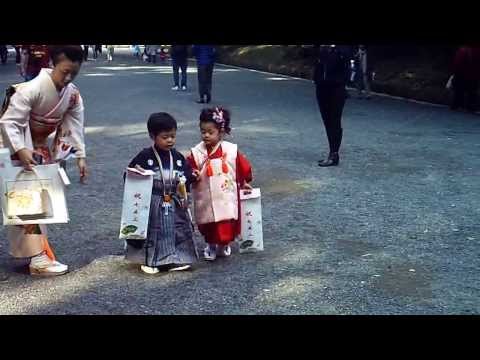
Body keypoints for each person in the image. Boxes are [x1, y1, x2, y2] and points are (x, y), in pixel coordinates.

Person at [0, 45, 88, 276]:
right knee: (26, 199)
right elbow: (9, 123)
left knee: (35, 199)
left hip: (36, 147)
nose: (68, 78)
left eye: (74, 73)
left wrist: (80, 155)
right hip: (13, 143)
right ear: (52, 64)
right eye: (64, 72)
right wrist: (20, 148)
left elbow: (74, 126)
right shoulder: (29, 89)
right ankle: (38, 258)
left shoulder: (73, 94)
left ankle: (37, 254)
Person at [125, 113, 198, 274]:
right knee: (154, 231)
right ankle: (149, 261)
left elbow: (186, 174)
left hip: (173, 200)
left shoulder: (177, 157)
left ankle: (175, 259)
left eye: (173, 136)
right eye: (165, 137)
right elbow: (130, 175)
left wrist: (191, 177)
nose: (170, 140)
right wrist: (138, 174)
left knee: (175, 230)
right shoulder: (145, 156)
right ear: (153, 136)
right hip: (154, 201)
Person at [187, 107, 253, 261]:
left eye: (210, 132)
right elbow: (189, 167)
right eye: (203, 132)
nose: (206, 135)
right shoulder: (197, 152)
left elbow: (241, 166)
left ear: (221, 131)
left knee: (226, 222)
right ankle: (210, 244)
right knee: (208, 222)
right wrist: (192, 173)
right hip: (206, 195)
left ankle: (224, 245)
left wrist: (243, 182)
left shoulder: (230, 150)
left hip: (225, 194)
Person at [314, 45, 351, 167]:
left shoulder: (342, 49)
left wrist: (334, 49)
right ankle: (332, 151)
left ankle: (334, 154)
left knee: (335, 120)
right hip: (321, 87)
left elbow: (347, 60)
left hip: (337, 88)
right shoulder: (321, 48)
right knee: (327, 121)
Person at [451, 45, 480, 113]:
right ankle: (470, 107)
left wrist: (455, 73)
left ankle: (457, 105)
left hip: (461, 74)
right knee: (472, 91)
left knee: (459, 91)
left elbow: (457, 62)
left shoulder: (463, 50)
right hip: (473, 74)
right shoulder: (476, 50)